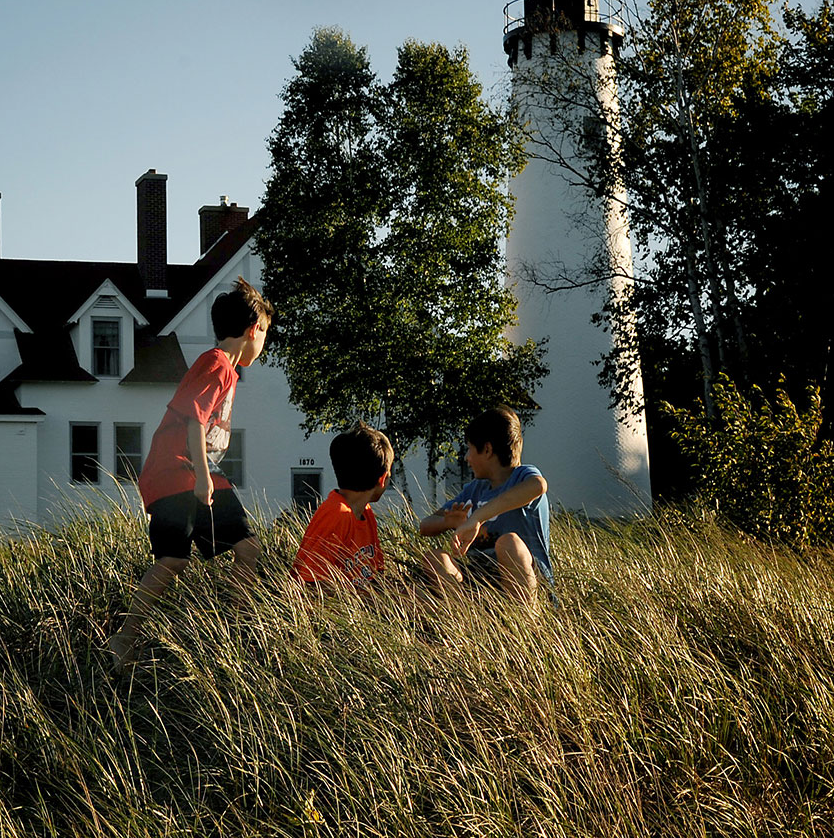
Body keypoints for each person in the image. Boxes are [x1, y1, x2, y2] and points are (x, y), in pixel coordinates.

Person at [106, 277, 273, 667]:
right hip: (176, 474)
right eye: (265, 334)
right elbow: (195, 421)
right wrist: (201, 475)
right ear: (253, 330)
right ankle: (127, 639)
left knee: (224, 552)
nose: (263, 346)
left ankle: (231, 635)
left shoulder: (226, 370)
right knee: (182, 559)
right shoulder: (215, 364)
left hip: (189, 475)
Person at [418, 406, 551, 603]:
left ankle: (527, 621)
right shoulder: (474, 489)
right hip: (478, 581)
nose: (466, 458)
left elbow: (538, 486)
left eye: (469, 449)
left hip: (526, 580)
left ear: (487, 450)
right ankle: (464, 619)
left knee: (509, 543)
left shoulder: (522, 477)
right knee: (436, 557)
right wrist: (449, 522)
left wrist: (477, 519)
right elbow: (425, 525)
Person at [292, 421, 393, 589]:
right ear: (382, 480)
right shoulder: (336, 514)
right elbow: (311, 583)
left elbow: (377, 574)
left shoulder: (365, 513)